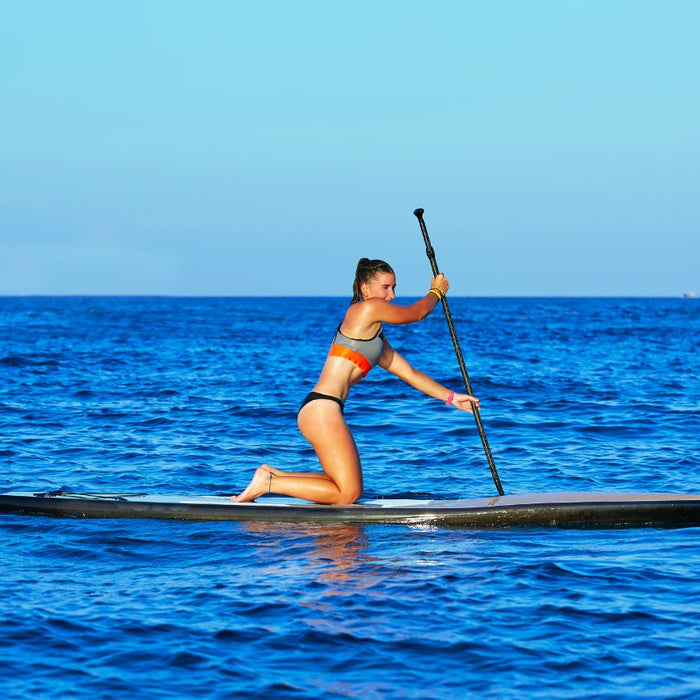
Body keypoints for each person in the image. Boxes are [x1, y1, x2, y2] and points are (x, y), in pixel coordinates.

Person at [233, 258, 480, 505]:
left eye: (394, 288)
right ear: (365, 288)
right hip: (322, 409)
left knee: (345, 487)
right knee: (347, 494)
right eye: (385, 287)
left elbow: (411, 374)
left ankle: (274, 476)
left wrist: (451, 397)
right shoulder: (364, 310)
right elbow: (417, 313)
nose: (391, 295)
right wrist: (437, 291)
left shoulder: (376, 341)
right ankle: (269, 484)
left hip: (323, 409)